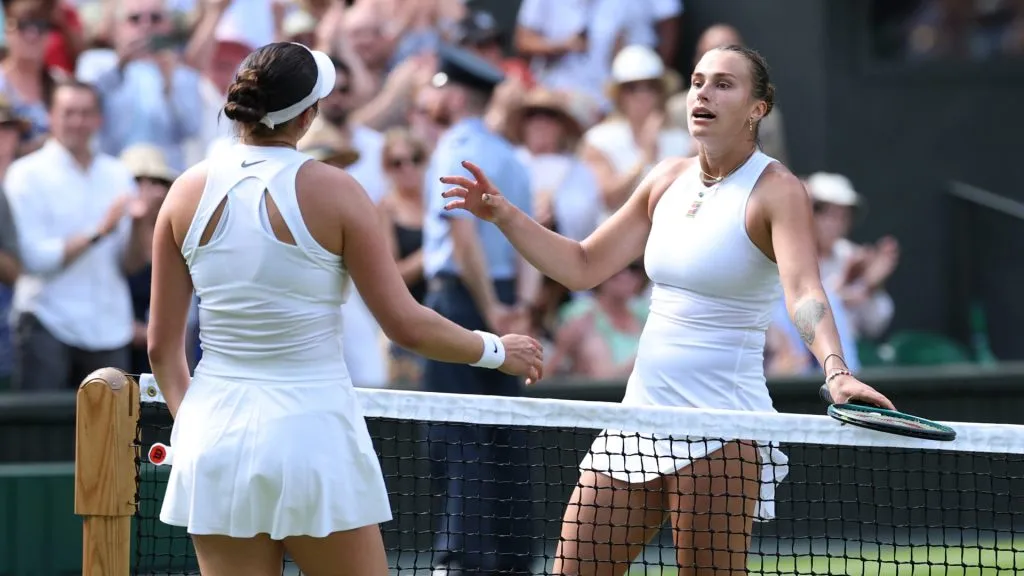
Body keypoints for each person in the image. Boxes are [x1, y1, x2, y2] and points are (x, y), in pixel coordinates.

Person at [439, 44, 896, 576]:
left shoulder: (778, 190)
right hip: (638, 421)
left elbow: (805, 291)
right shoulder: (665, 178)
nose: (703, 92)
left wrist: (835, 370)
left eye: (724, 83)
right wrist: (504, 215)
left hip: (721, 428)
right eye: (699, 81)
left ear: (758, 107)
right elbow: (583, 265)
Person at [146, 42, 544, 576]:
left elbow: (159, 348)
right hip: (311, 437)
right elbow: (403, 322)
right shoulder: (336, 191)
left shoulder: (182, 193)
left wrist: (193, 427)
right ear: (307, 116)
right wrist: (496, 350)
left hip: (214, 438)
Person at [420, 44, 539, 576]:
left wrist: (490, 310)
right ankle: (514, 561)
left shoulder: (456, 147)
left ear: (458, 93)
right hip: (508, 303)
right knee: (503, 433)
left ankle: (461, 561)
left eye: (441, 86)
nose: (434, 95)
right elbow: (530, 242)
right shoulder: (514, 157)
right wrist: (521, 310)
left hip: (466, 304)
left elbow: (462, 236)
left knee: (458, 432)